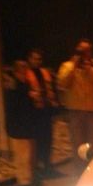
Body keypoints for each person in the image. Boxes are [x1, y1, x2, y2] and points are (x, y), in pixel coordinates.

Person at [56, 39, 93, 167]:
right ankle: (79, 169)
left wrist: (90, 70)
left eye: (86, 50)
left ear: (90, 52)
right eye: (81, 50)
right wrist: (73, 67)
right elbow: (62, 83)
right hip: (75, 111)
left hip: (92, 111)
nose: (84, 53)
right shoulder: (67, 66)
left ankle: (89, 168)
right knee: (77, 143)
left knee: (90, 143)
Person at [5, 60, 41, 186]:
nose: (25, 73)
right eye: (23, 71)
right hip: (19, 125)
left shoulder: (23, 85)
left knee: (25, 154)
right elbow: (13, 107)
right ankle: (24, 181)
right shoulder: (14, 86)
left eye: (25, 71)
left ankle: (25, 179)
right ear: (17, 72)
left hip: (24, 125)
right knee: (22, 154)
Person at [24, 48, 60, 178]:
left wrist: (55, 106)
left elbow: (52, 90)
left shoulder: (45, 73)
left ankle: (47, 165)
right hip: (34, 113)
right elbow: (24, 93)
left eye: (39, 59)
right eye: (34, 58)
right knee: (37, 141)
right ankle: (38, 167)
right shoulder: (26, 74)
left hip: (46, 111)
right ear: (29, 59)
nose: (37, 61)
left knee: (48, 140)